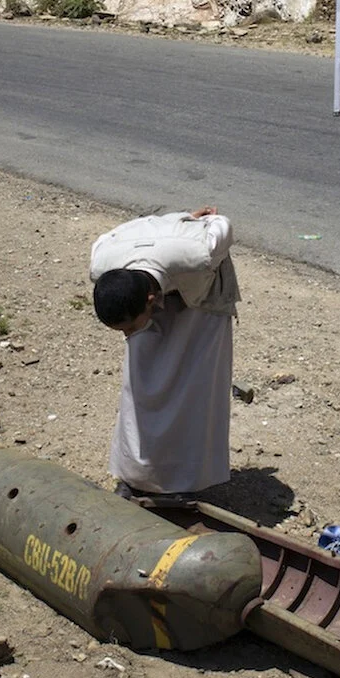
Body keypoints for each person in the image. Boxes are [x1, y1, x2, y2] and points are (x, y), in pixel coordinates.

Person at [89, 207, 240, 498]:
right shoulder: (102, 263)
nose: (128, 336)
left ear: (150, 301)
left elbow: (224, 225)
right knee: (141, 386)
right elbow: (138, 230)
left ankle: (185, 482)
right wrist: (176, 221)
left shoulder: (199, 254)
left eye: (130, 327)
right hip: (150, 269)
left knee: (193, 390)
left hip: (200, 302)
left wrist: (196, 223)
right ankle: (135, 475)